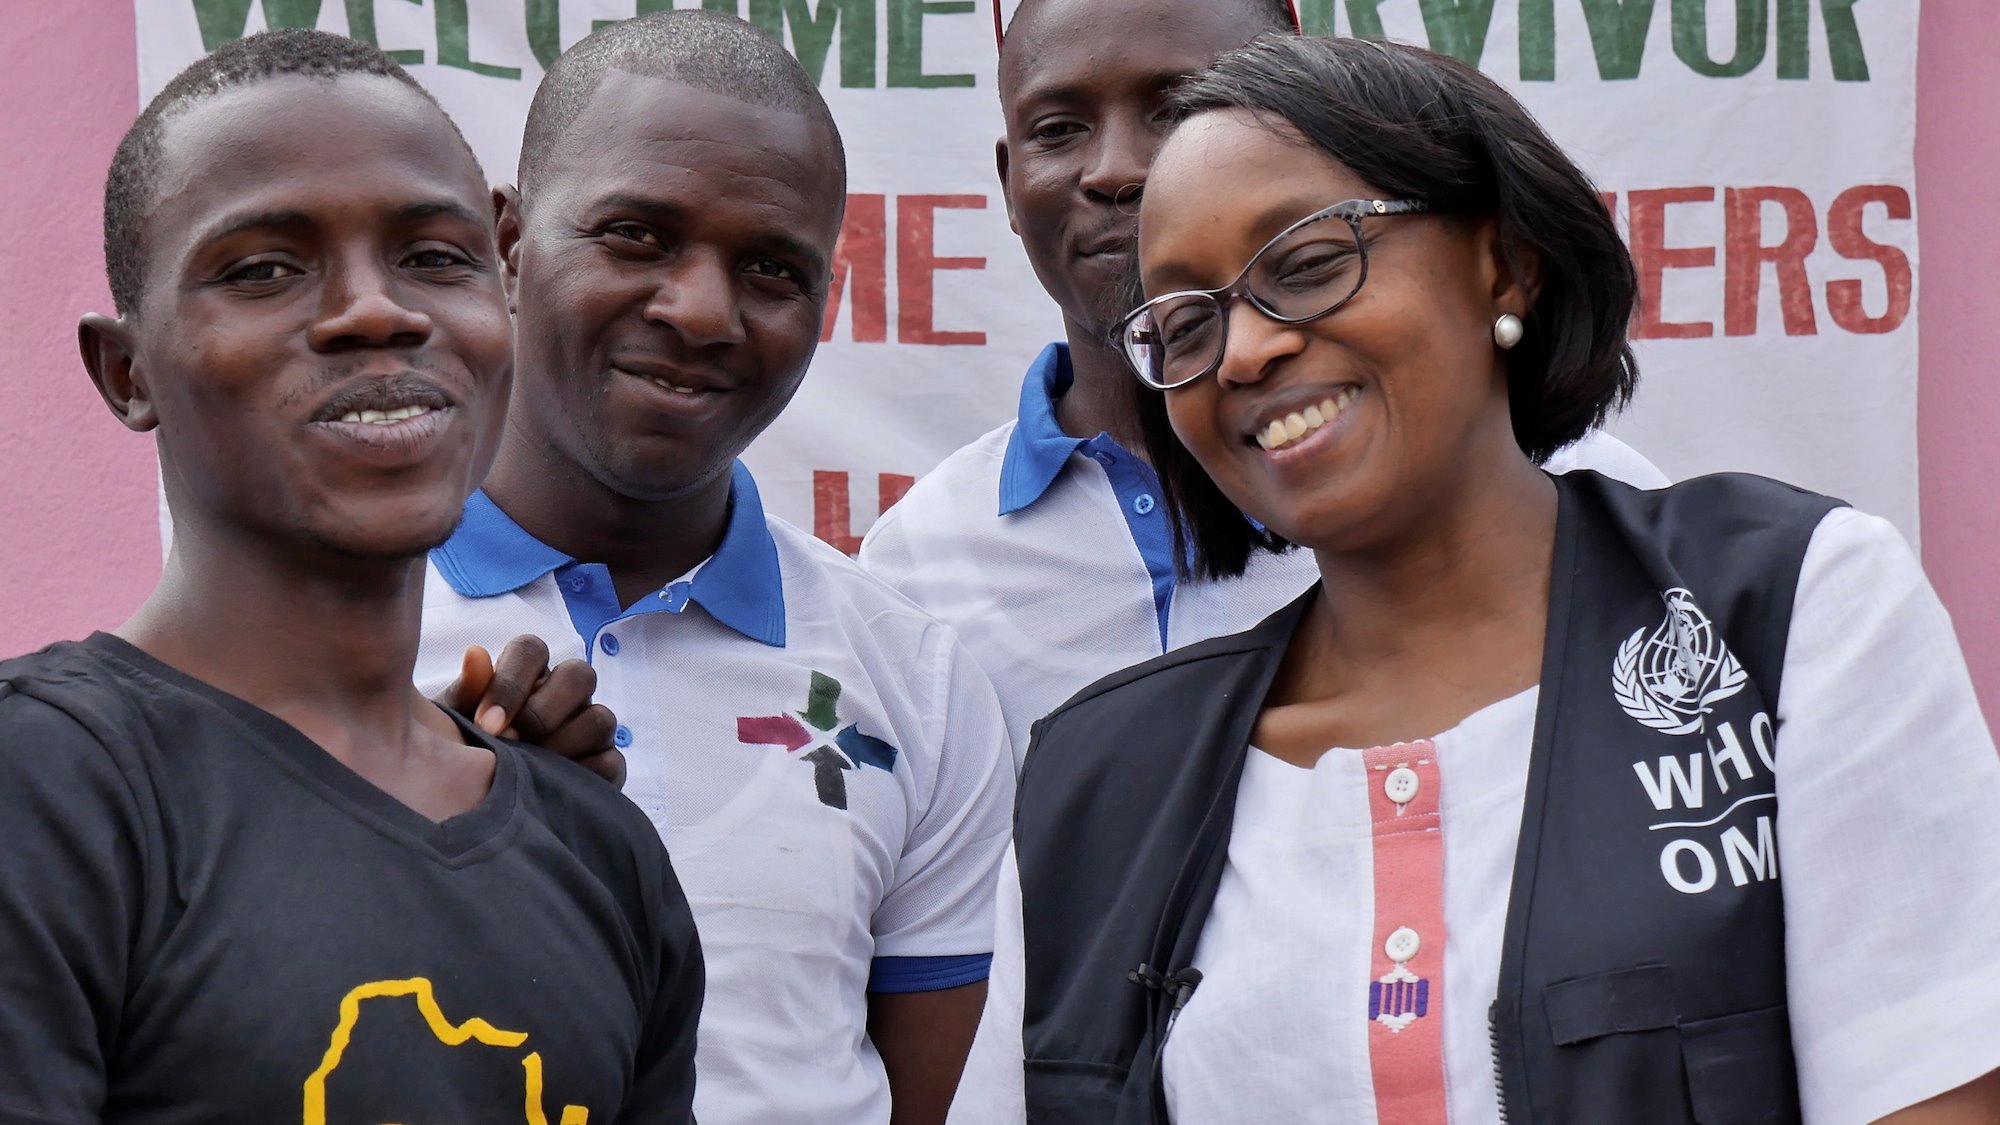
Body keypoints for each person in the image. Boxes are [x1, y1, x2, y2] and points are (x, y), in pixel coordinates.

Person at [959, 35, 2000, 1125]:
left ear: (1504, 262)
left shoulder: (1785, 612)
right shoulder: (1097, 780)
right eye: (1184, 321)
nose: (1244, 350)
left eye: (1307, 263)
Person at [0, 29, 702, 1120]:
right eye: (264, 270)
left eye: (433, 256)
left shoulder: (598, 852)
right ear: (128, 370)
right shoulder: (51, 796)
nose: (378, 311)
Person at [413, 12, 1015, 1125]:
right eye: (636, 235)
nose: (700, 312)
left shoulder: (915, 682)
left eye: (771, 268)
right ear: (504, 243)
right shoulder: (339, 635)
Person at [858, 0, 1669, 762]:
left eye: (1178, 110)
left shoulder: (1594, 508)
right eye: (1059, 128)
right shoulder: (917, 564)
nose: (1115, 169)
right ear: (1007, 179)